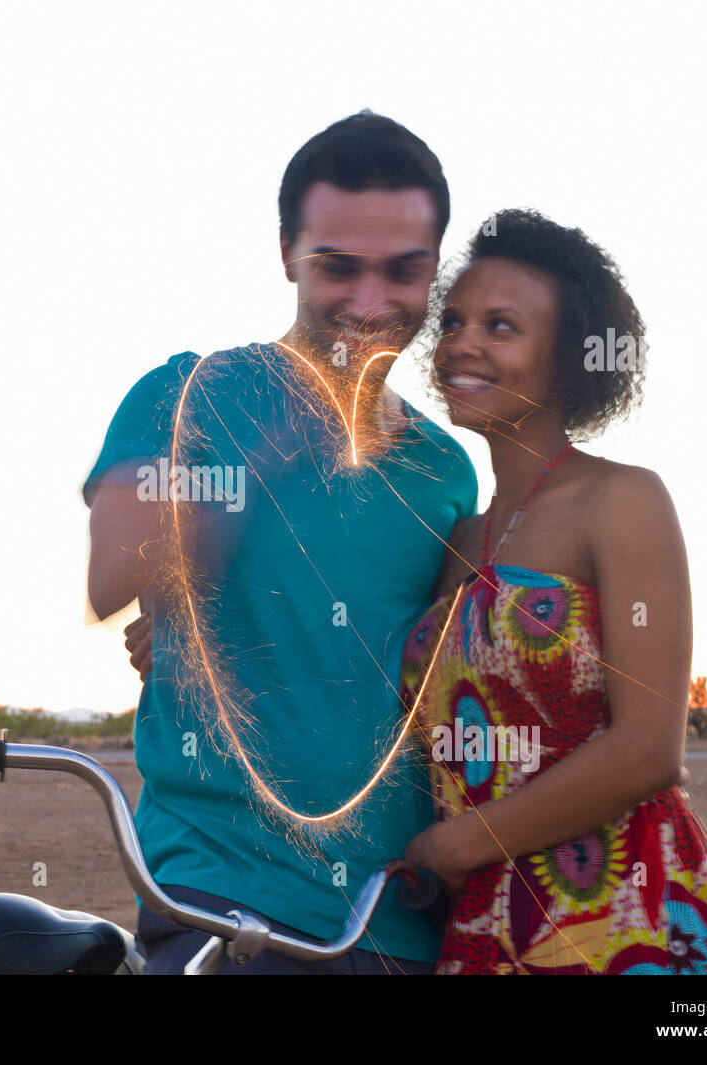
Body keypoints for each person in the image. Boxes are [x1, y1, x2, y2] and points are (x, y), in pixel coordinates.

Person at [82, 111, 478, 973]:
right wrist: (274, 456)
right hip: (224, 901)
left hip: (399, 913)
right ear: (286, 252)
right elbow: (111, 575)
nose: (371, 303)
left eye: (404, 272)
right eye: (339, 266)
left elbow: (434, 670)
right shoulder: (180, 396)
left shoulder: (447, 470)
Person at [398, 208, 707, 974]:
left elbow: (647, 747)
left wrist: (461, 843)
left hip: (629, 912)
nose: (462, 342)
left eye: (500, 326)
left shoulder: (622, 500)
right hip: (487, 925)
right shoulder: (461, 539)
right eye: (455, 321)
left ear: (569, 359)